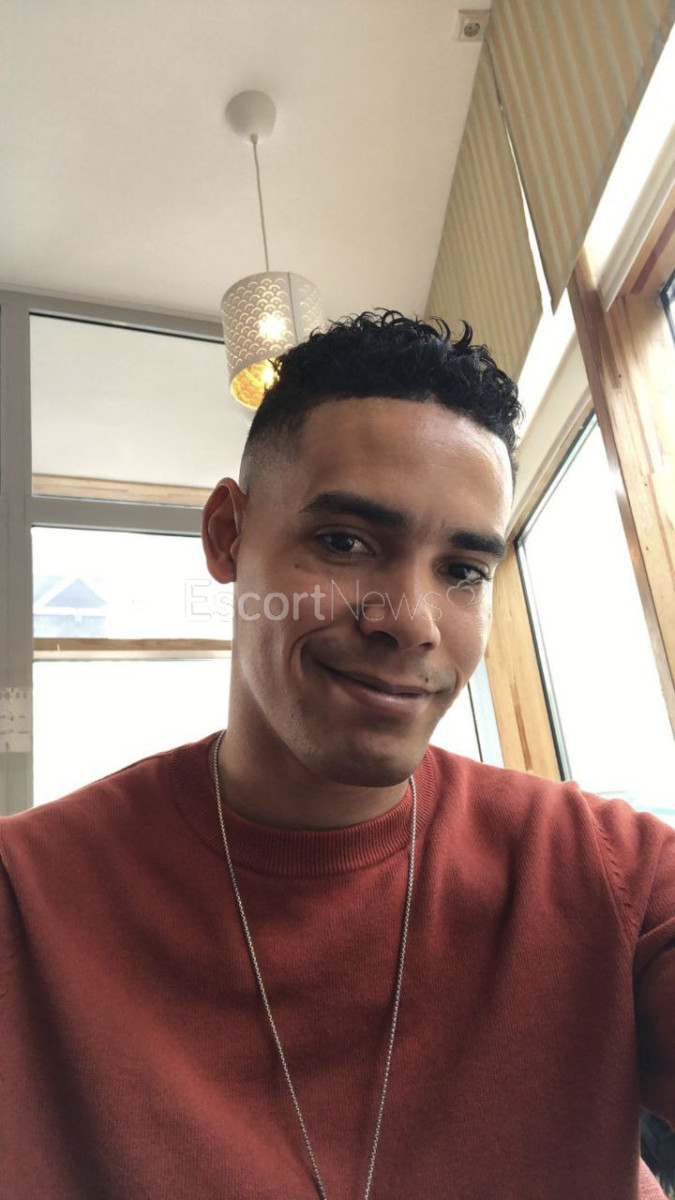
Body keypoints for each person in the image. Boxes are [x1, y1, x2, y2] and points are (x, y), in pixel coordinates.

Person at [1, 312, 673, 1199]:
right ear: (227, 536)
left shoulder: (609, 875)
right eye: (345, 543)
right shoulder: (29, 900)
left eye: (462, 570)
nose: (411, 622)